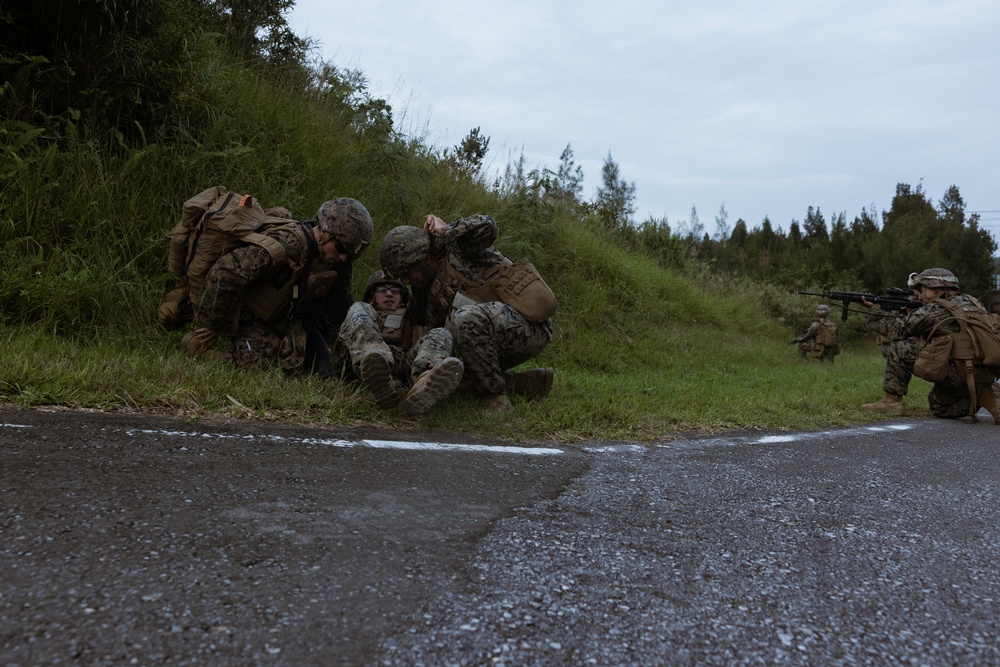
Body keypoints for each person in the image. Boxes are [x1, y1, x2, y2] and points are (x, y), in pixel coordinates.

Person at [379, 213, 554, 413]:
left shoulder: (458, 250)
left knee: (466, 317)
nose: (406, 282)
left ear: (423, 259)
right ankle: (523, 384)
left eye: (407, 274)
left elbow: (488, 226)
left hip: (527, 327)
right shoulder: (422, 295)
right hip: (483, 343)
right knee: (446, 367)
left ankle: (496, 397)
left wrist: (447, 231)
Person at [181, 197, 373, 376]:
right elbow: (224, 273)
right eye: (341, 249)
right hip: (250, 314)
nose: (343, 258)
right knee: (256, 364)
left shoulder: (336, 261)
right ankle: (200, 348)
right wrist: (210, 331)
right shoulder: (287, 245)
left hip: (287, 317)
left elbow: (341, 304)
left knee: (306, 362)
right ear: (324, 232)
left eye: (350, 255)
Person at [860, 268, 998, 418]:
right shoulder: (974, 303)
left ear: (935, 289)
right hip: (980, 373)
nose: (919, 296)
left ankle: (892, 401)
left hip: (958, 372)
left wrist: (873, 310)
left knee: (900, 346)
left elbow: (896, 330)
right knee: (938, 405)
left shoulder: (936, 309)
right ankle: (981, 395)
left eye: (922, 290)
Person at [334, 270, 464, 416]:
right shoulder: (363, 312)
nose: (389, 294)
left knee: (442, 333)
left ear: (402, 297)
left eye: (395, 290)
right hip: (355, 362)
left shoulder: (412, 316)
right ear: (371, 297)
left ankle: (424, 383)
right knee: (358, 308)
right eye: (382, 290)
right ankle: (374, 367)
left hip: (400, 365)